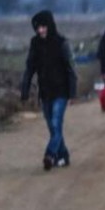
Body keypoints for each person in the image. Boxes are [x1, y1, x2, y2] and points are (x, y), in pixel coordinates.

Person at [20, 10, 77, 170]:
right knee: (53, 128)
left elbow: (71, 69)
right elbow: (29, 68)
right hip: (45, 92)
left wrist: (72, 93)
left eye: (43, 27)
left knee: (56, 122)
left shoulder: (61, 43)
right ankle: (64, 156)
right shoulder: (35, 44)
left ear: (50, 25)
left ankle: (50, 155)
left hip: (61, 92)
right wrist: (25, 89)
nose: (40, 31)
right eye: (37, 28)